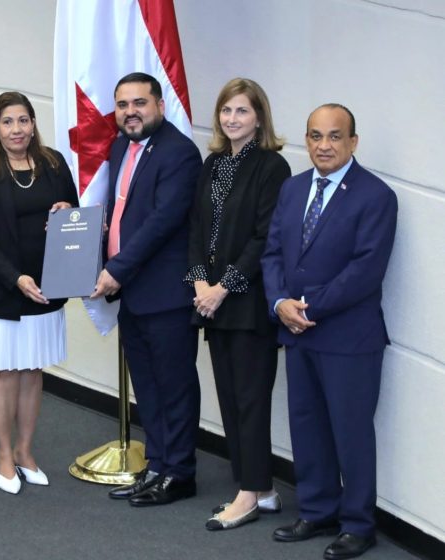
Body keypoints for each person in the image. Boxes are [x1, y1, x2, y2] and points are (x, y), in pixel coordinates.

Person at [262, 104, 397, 559]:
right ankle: (317, 511)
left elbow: (365, 271)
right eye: (316, 136)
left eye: (335, 137)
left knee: (351, 432)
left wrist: (308, 307)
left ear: (353, 142)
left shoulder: (376, 196)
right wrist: (280, 302)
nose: (324, 145)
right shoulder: (293, 188)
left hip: (349, 339)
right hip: (297, 331)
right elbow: (273, 252)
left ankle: (358, 524)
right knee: (307, 426)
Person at [90, 72, 202, 506]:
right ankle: (156, 464)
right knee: (148, 387)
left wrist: (116, 269)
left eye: (139, 103)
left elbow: (161, 223)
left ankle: (180, 472)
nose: (130, 112)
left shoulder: (179, 154)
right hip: (133, 294)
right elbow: (124, 214)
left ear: (159, 104)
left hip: (165, 294)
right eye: (122, 104)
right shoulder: (122, 146)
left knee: (174, 385)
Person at [184, 78, 290, 530]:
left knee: (250, 400)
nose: (232, 119)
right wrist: (199, 286)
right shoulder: (212, 163)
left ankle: (248, 493)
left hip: (246, 305)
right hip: (211, 302)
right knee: (228, 397)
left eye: (242, 111)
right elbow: (195, 230)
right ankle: (260, 487)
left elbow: (264, 239)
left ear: (259, 118)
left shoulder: (272, 167)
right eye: (226, 111)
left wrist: (222, 287)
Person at [0, 92, 78, 494]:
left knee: (32, 371)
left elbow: (75, 215)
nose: (17, 129)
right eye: (8, 122)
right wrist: (15, 278)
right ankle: (4, 455)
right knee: (5, 372)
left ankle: (27, 452)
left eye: (24, 120)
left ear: (33, 123)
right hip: (3, 288)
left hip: (46, 286)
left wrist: (66, 209)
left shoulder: (53, 163)